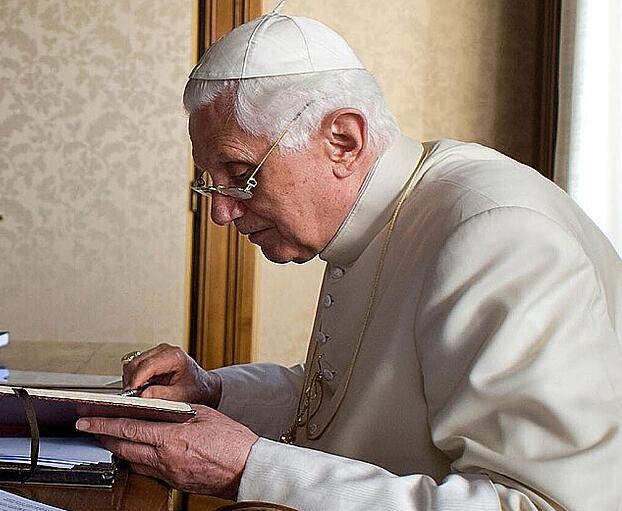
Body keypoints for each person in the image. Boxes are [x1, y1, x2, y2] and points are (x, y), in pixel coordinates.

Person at [75, 11, 622, 511]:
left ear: (343, 140)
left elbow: (541, 505)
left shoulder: (494, 234)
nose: (220, 212)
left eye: (240, 173)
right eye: (208, 182)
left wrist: (249, 468)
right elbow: (360, 398)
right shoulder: (389, 210)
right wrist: (216, 392)